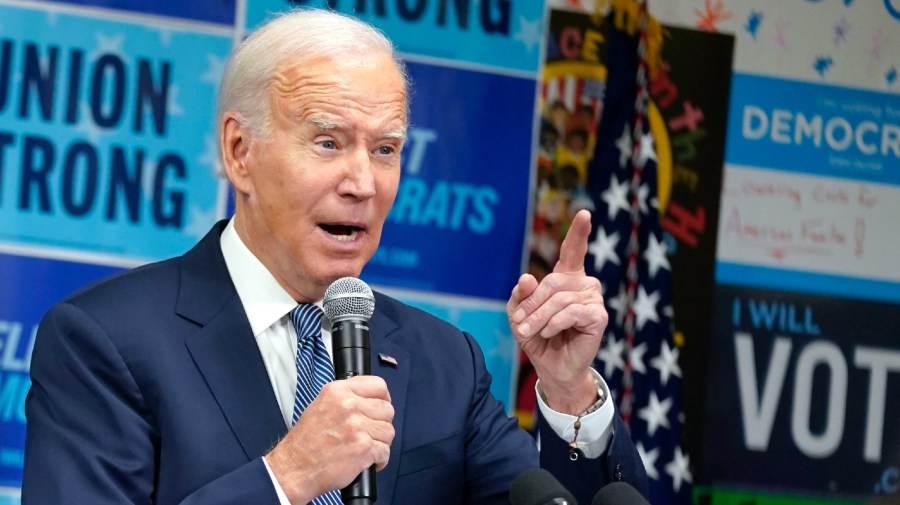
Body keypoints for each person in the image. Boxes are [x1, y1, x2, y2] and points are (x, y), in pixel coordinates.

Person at [22, 9, 647, 505]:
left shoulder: (442, 362)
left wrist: (567, 395)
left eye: (385, 149)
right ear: (240, 152)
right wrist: (284, 479)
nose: (363, 183)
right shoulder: (106, 340)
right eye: (328, 142)